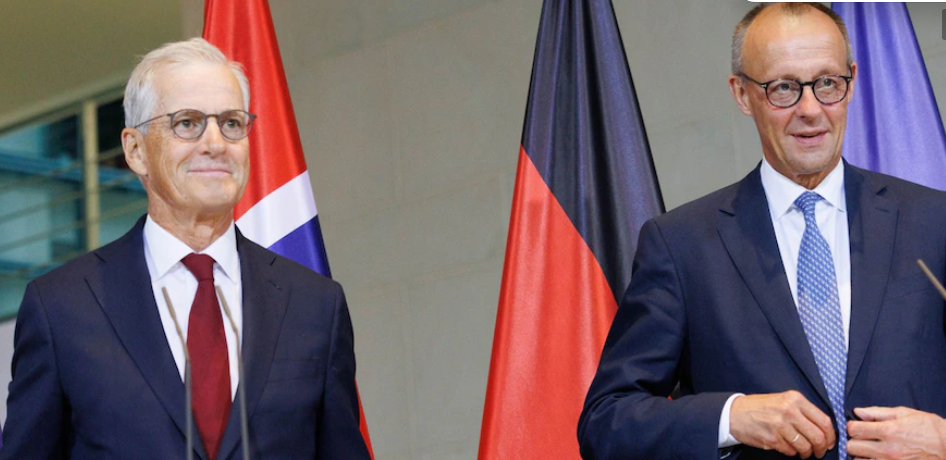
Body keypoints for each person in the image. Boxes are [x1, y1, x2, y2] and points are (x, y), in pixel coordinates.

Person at [578, 3, 946, 460]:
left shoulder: (934, 222)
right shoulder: (682, 246)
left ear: (851, 82)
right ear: (742, 94)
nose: (810, 110)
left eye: (827, 83)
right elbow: (606, 422)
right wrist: (731, 417)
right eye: (784, 88)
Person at [0, 38, 371, 460]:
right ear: (135, 150)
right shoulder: (61, 308)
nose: (216, 143)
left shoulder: (316, 305)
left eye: (231, 123)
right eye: (188, 123)